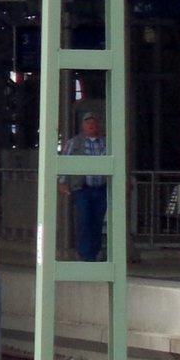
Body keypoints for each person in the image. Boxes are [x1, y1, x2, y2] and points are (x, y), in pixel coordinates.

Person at [59, 112, 108, 262]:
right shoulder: (74, 143)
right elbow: (65, 162)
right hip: (82, 188)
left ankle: (95, 252)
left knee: (98, 221)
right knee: (84, 220)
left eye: (93, 122)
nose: (91, 125)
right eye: (88, 122)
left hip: (101, 188)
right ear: (83, 126)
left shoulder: (106, 142)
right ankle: (86, 254)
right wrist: (63, 181)